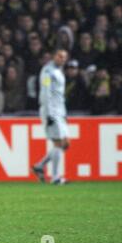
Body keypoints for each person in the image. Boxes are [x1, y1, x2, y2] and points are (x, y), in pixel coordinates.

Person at [32, 49, 70, 185]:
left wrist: (64, 113)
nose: (63, 59)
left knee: (65, 144)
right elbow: (46, 92)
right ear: (54, 56)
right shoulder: (48, 71)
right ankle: (55, 177)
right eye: (60, 56)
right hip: (52, 111)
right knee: (58, 143)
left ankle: (39, 166)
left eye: (65, 57)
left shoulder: (59, 71)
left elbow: (60, 94)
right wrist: (49, 114)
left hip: (60, 111)